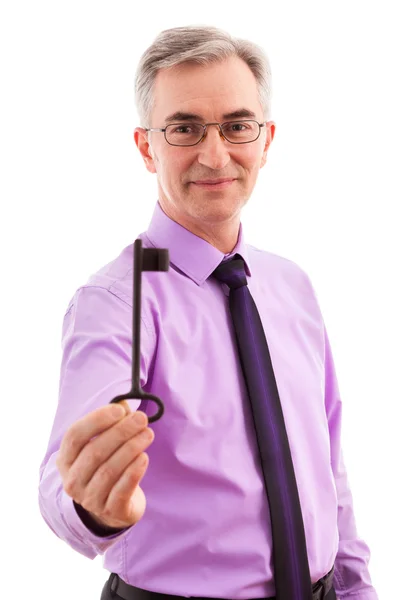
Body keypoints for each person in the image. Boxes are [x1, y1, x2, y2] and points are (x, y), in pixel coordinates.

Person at [38, 25, 378, 600]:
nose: (214, 154)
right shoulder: (119, 302)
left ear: (265, 139)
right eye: (185, 128)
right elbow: (61, 483)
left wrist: (356, 588)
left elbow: (328, 470)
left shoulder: (292, 286)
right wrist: (92, 505)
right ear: (148, 146)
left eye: (237, 126)